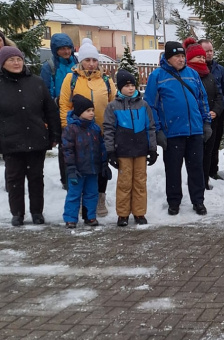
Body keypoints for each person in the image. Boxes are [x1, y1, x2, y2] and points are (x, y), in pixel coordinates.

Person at [144, 41, 212, 216]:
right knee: (173, 170)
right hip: (172, 132)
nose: (181, 59)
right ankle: (174, 202)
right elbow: (151, 105)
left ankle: (198, 201)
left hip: (195, 130)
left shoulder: (193, 74)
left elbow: (202, 100)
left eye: (183, 56)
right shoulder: (157, 76)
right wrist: (158, 130)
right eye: (177, 56)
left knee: (196, 168)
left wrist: (205, 123)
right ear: (168, 58)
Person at [0, 47, 61, 226]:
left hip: (36, 138)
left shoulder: (37, 83)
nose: (16, 63)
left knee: (36, 178)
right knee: (14, 179)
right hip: (10, 141)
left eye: (18, 59)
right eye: (11, 60)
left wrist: (55, 134)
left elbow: (50, 110)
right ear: (3, 63)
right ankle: (17, 214)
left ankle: (37, 212)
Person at [58, 38, 117, 217]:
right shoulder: (71, 78)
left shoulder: (106, 79)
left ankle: (99, 197)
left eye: (94, 60)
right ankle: (81, 197)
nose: (91, 64)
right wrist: (67, 127)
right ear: (81, 61)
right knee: (82, 165)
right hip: (78, 132)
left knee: (100, 165)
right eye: (87, 60)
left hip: (101, 131)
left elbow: (113, 103)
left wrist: (113, 128)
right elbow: (64, 105)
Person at [103, 69, 157, 226]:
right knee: (124, 183)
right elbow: (108, 129)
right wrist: (110, 151)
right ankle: (123, 214)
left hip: (140, 150)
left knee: (140, 182)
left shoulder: (143, 105)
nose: (130, 88)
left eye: (132, 85)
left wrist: (152, 149)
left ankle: (139, 213)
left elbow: (150, 127)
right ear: (120, 88)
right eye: (126, 86)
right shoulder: (113, 107)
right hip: (123, 151)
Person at [62, 95, 111, 228]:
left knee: (92, 193)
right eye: (88, 110)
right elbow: (67, 150)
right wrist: (71, 168)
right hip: (77, 170)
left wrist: (104, 163)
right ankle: (70, 218)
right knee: (74, 194)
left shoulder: (95, 129)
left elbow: (101, 147)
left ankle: (90, 216)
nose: (91, 113)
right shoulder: (71, 129)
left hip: (92, 169)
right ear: (79, 112)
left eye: (92, 110)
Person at [184, 39, 224, 190]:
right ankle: (195, 182)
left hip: (211, 120)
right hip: (193, 122)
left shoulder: (209, 76)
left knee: (208, 153)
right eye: (198, 57)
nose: (202, 59)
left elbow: (219, 96)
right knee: (195, 155)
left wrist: (216, 111)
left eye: (203, 57)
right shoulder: (187, 76)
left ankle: (205, 180)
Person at [41, 33, 78, 190]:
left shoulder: (77, 63)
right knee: (65, 147)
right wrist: (55, 101)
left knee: (79, 145)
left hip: (78, 111)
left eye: (68, 48)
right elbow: (43, 92)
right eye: (62, 49)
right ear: (55, 50)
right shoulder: (49, 67)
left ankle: (78, 175)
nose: (66, 52)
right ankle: (66, 179)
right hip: (59, 112)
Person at [199, 38, 224, 181]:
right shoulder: (195, 70)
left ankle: (213, 170)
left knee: (215, 143)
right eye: (206, 51)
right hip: (201, 113)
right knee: (203, 146)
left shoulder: (219, 69)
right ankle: (202, 174)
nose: (209, 53)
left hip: (218, 113)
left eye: (211, 50)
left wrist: (222, 108)